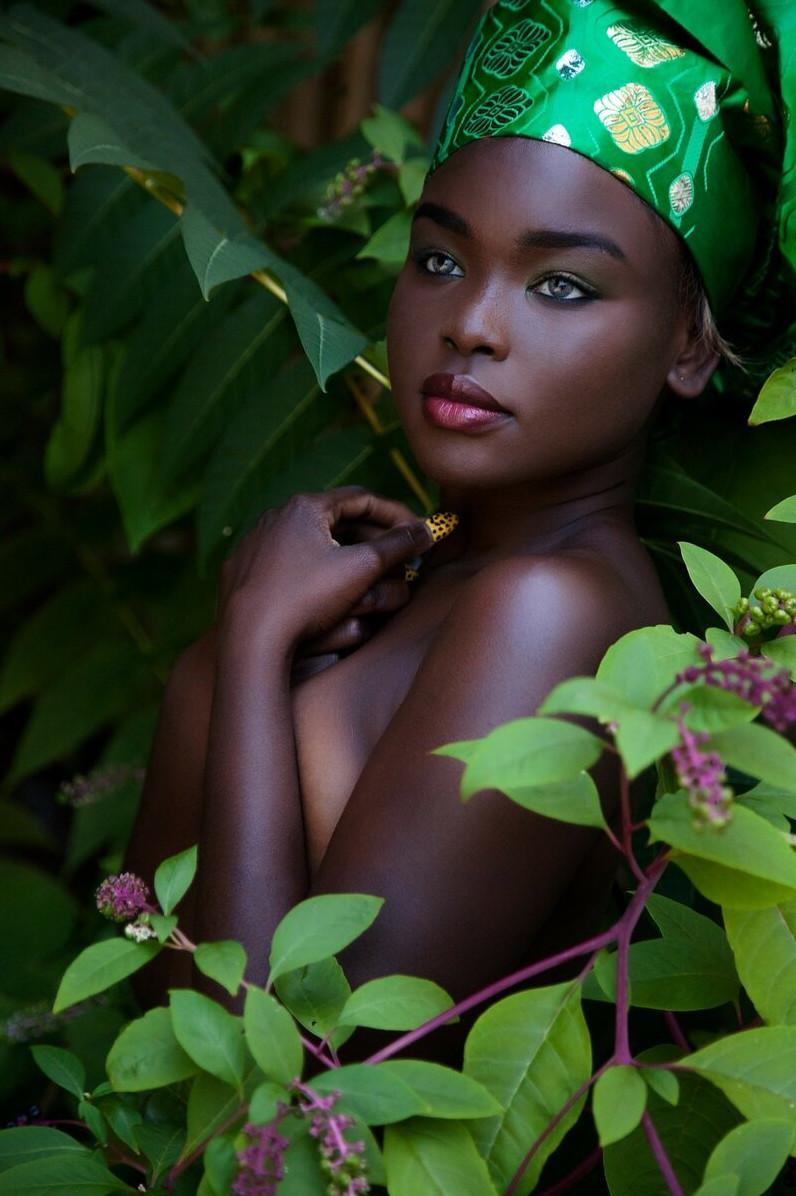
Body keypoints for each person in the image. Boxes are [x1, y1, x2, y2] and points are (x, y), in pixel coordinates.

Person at [125, 0, 796, 1035]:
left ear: (689, 345)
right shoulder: (423, 572)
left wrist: (254, 638)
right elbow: (155, 984)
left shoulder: (553, 610)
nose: (471, 324)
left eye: (561, 285)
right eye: (440, 260)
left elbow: (298, 1078)